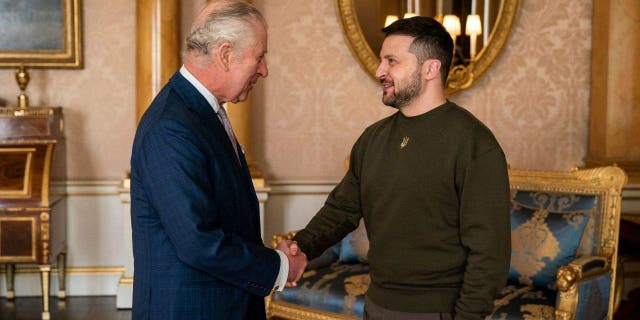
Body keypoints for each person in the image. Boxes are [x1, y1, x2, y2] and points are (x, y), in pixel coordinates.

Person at [284, 17, 510, 320]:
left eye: (392, 61)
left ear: (430, 69)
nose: (380, 71)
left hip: (437, 311)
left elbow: (489, 253)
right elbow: (341, 210)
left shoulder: (474, 144)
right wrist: (299, 249)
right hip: (376, 304)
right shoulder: (373, 138)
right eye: (381, 61)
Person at [130, 1, 305, 319]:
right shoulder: (171, 126)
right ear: (225, 54)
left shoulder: (201, 112)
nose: (264, 69)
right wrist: (279, 267)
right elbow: (198, 242)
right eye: (259, 56)